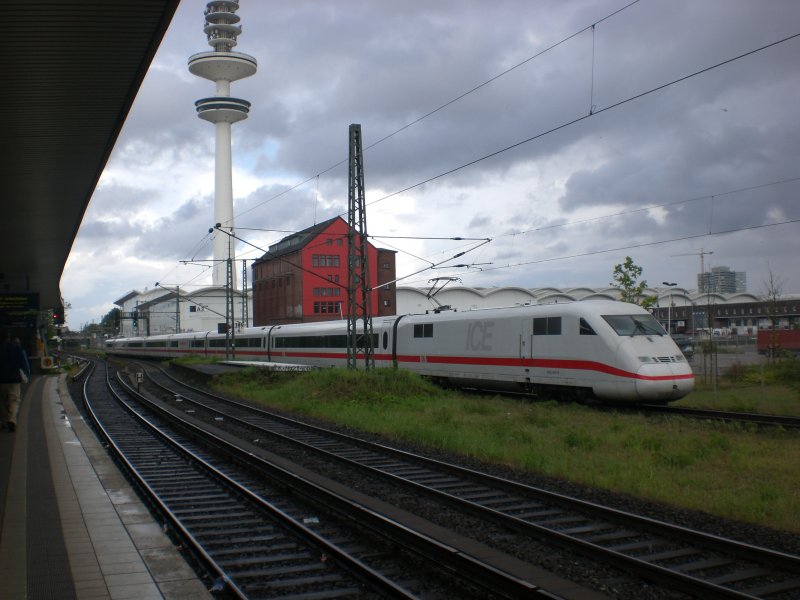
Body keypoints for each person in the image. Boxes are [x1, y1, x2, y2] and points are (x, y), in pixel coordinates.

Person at [0, 330, 30, 432]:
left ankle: (4, 421)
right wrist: (26, 375)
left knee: (2, 402)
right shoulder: (16, 348)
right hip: (14, 379)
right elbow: (23, 363)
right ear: (8, 337)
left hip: (1, 380)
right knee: (14, 400)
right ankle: (12, 420)